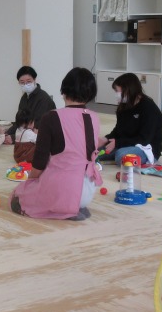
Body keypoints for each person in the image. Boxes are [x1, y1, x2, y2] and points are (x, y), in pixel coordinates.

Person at [10, 67, 103, 220]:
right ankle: (76, 207)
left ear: (64, 90)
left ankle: (64, 209)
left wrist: (30, 181)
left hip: (64, 189)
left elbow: (39, 161)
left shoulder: (51, 117)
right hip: (89, 189)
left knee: (17, 196)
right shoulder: (94, 117)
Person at [100, 72, 162, 166]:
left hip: (146, 148)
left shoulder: (149, 108)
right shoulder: (124, 106)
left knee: (121, 155)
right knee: (94, 152)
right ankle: (114, 155)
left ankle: (117, 156)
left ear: (127, 89)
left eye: (117, 91)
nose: (116, 94)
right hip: (125, 144)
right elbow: (118, 131)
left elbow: (144, 139)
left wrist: (117, 143)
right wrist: (105, 139)